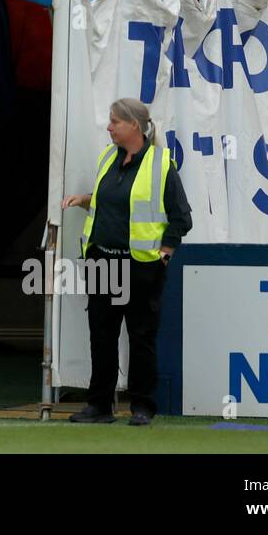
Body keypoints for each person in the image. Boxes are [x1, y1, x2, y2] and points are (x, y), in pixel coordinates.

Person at [60, 98, 191, 425]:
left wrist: (164, 253)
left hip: (142, 267)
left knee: (141, 338)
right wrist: (85, 201)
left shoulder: (161, 163)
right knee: (101, 336)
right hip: (103, 263)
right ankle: (100, 406)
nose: (109, 127)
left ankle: (142, 406)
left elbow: (181, 217)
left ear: (134, 125)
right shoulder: (109, 157)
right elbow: (115, 202)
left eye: (115, 121)